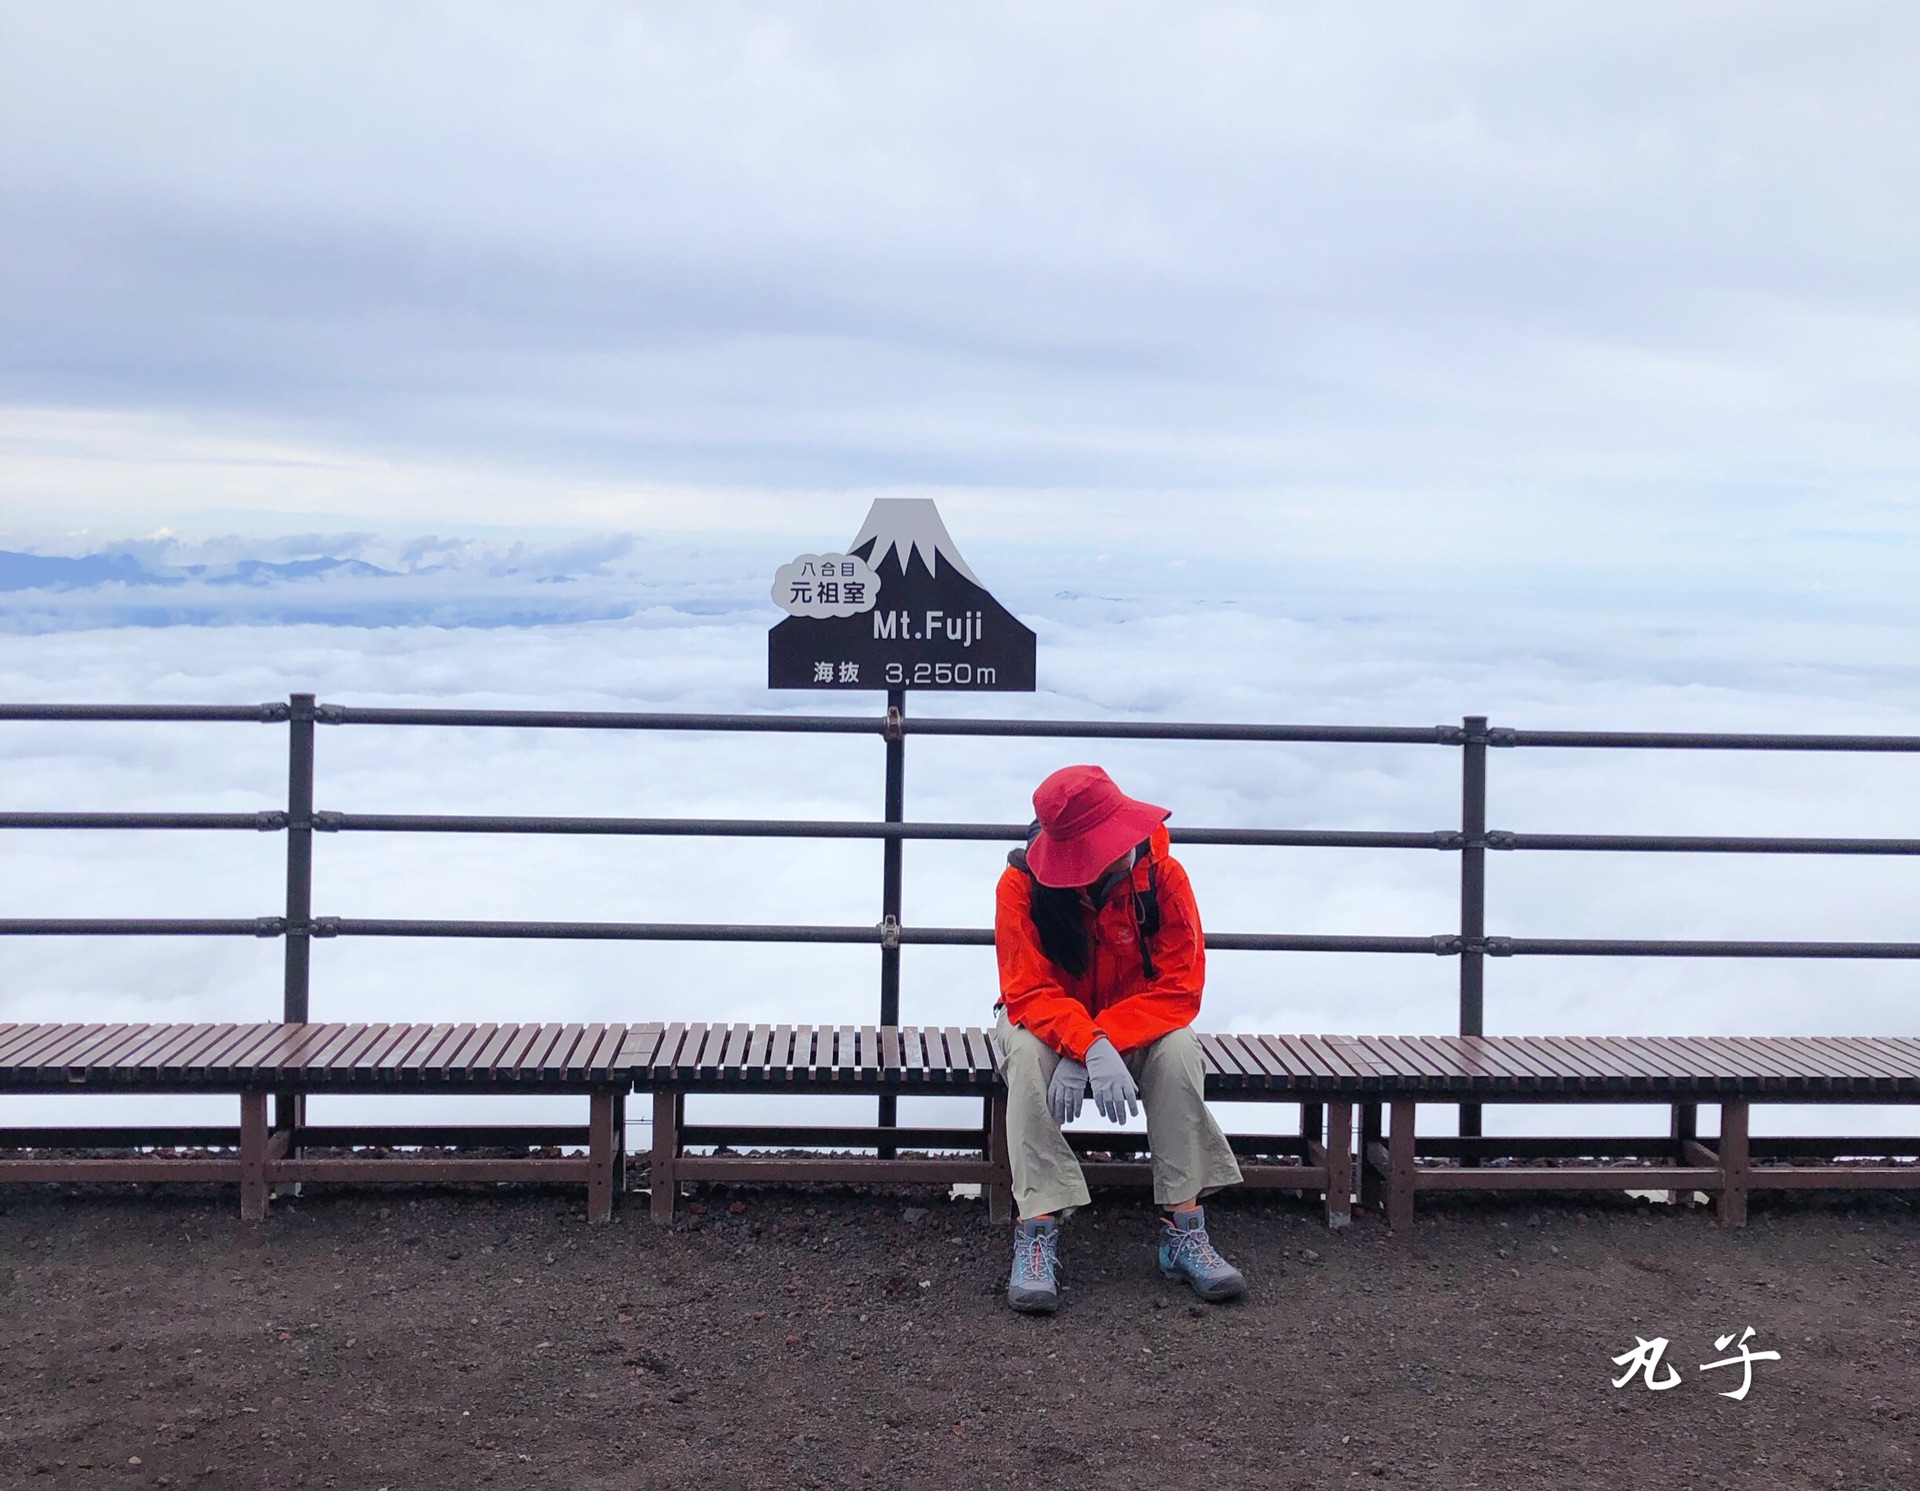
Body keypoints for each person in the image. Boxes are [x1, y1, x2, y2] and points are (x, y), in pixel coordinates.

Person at [992, 764, 1247, 1314]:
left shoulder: (1165, 879)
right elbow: (1026, 991)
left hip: (1134, 1026)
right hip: (1047, 1026)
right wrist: (1084, 1045)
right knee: (1025, 1055)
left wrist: (1099, 1040)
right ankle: (1035, 1229)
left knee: (1179, 1050)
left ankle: (1184, 1226)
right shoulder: (1019, 885)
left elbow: (1180, 989)